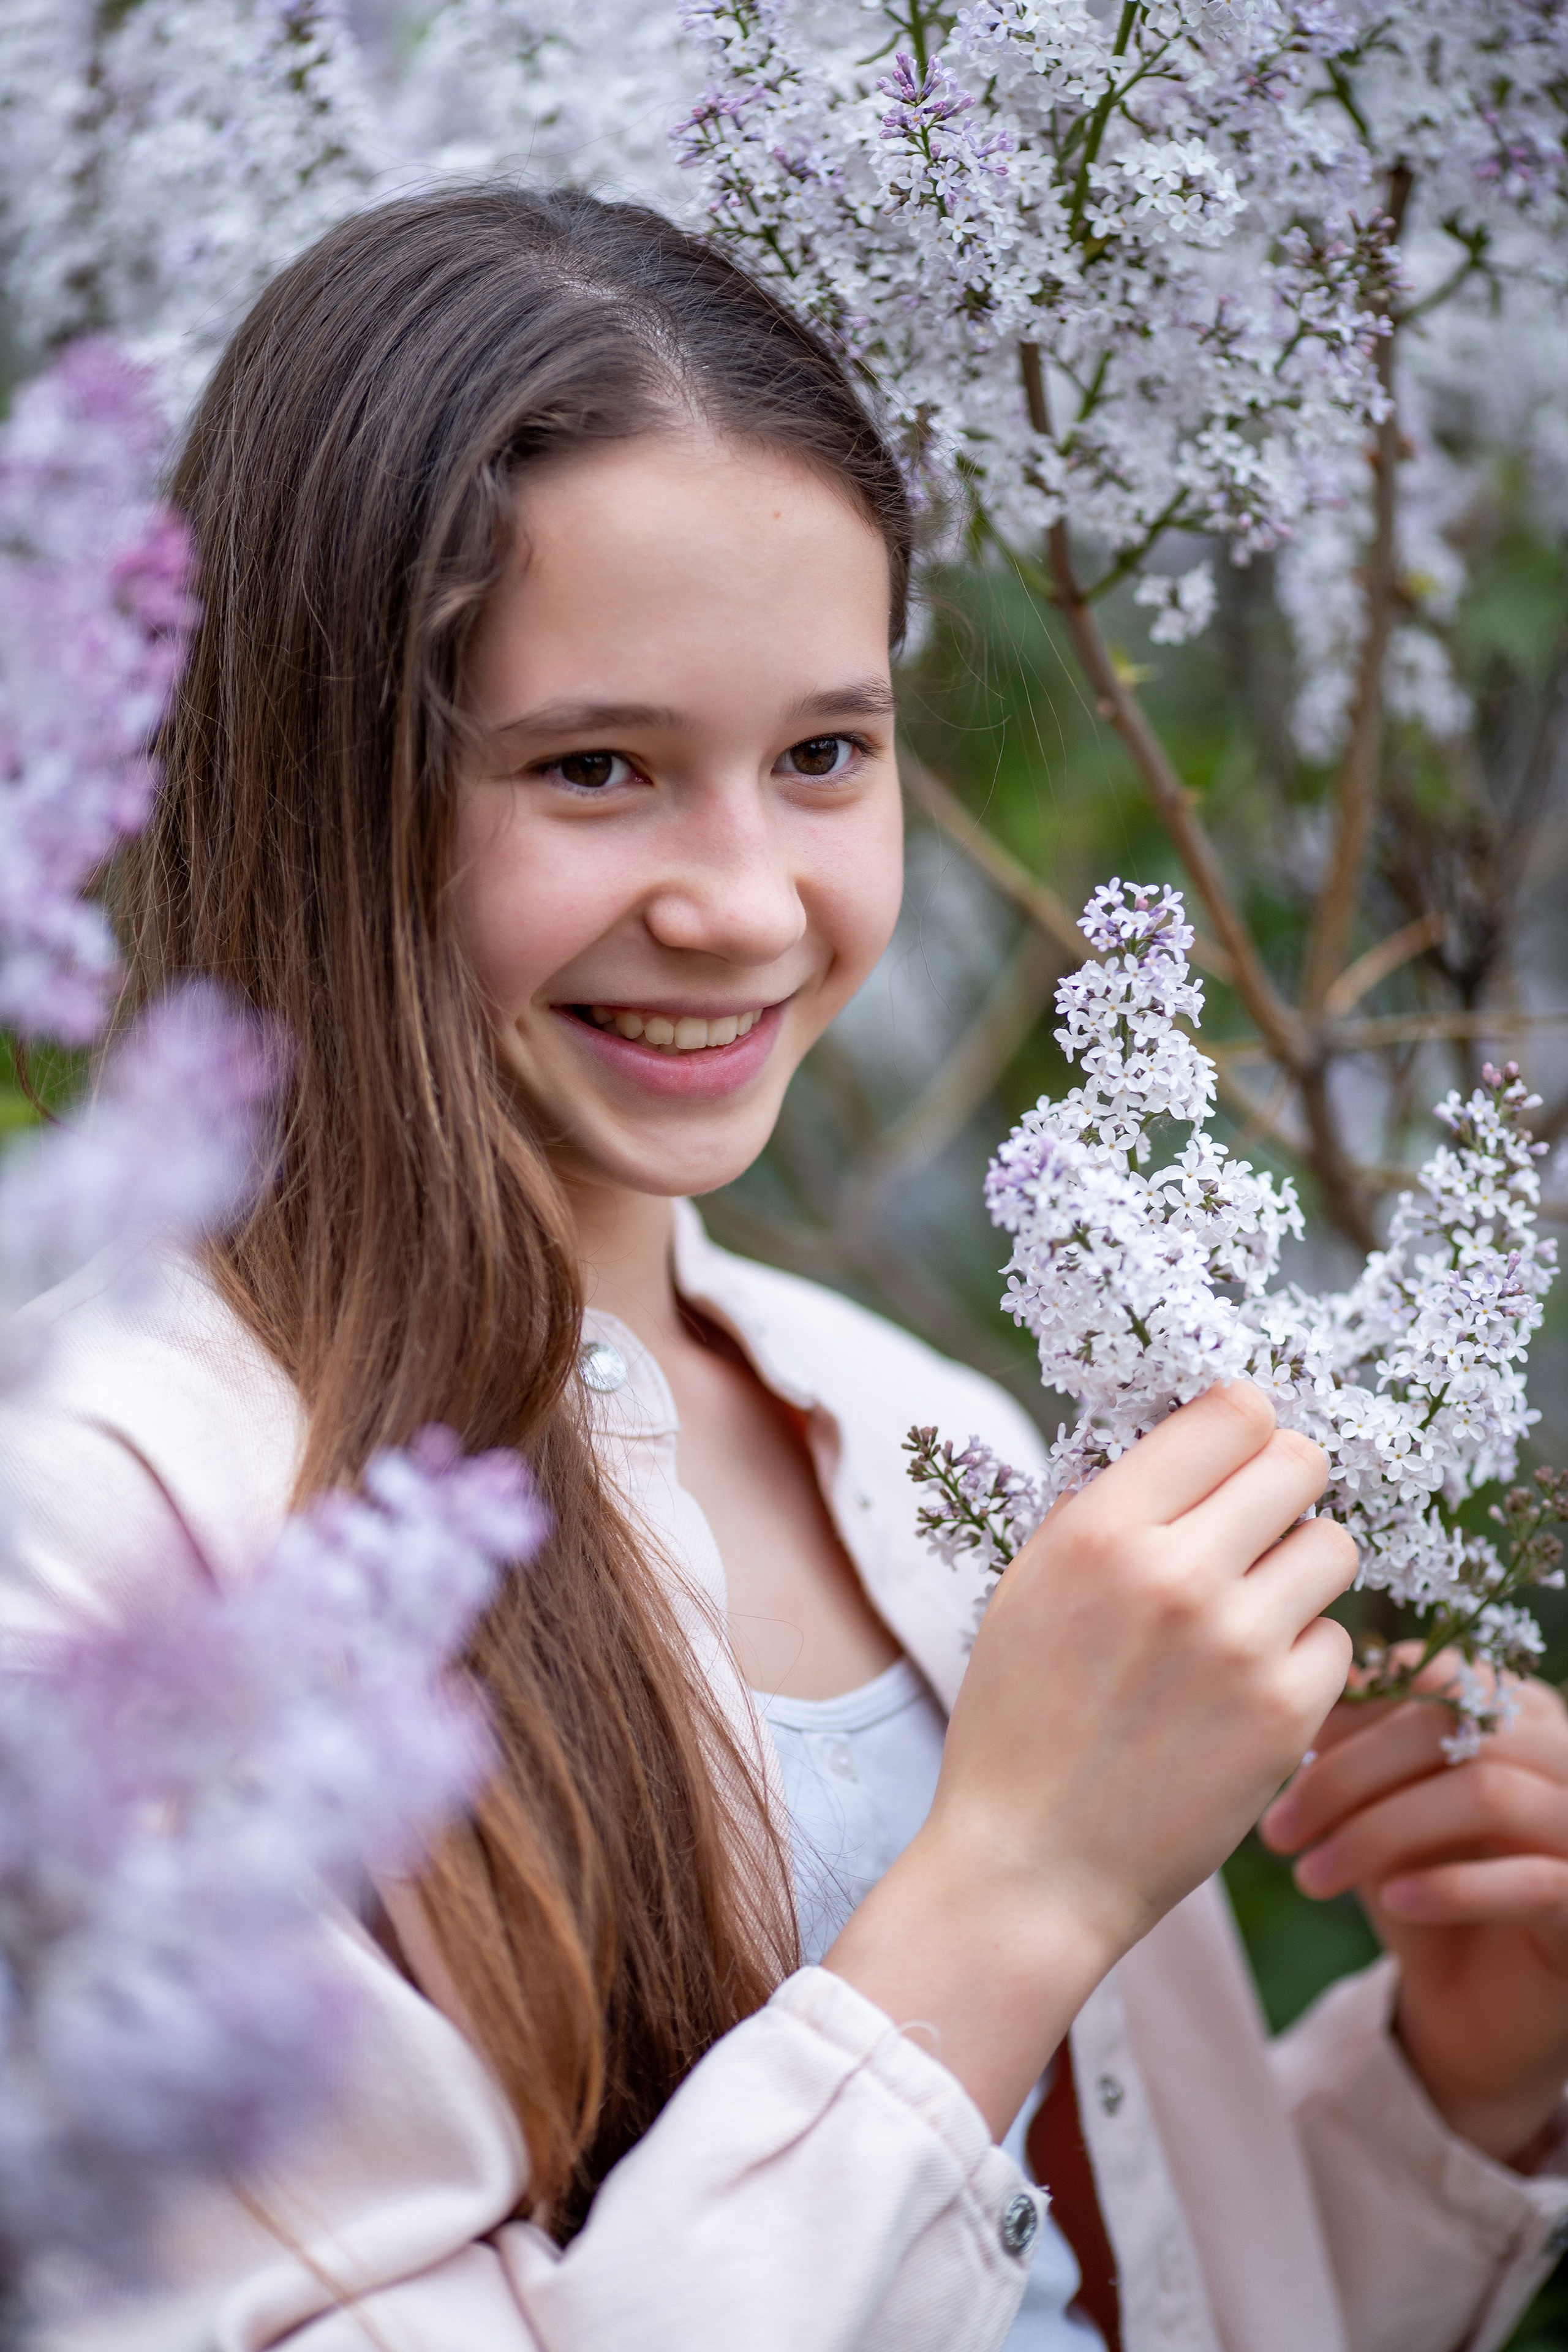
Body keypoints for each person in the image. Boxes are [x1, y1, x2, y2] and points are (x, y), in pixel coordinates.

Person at [5, 186, 1568, 2352]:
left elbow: (1058, 2291)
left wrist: (1455, 2089)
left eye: (824, 752)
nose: (744, 903)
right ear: (315, 780)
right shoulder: (106, 1541)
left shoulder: (925, 1435)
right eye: (596, 769)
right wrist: (1015, 1884)